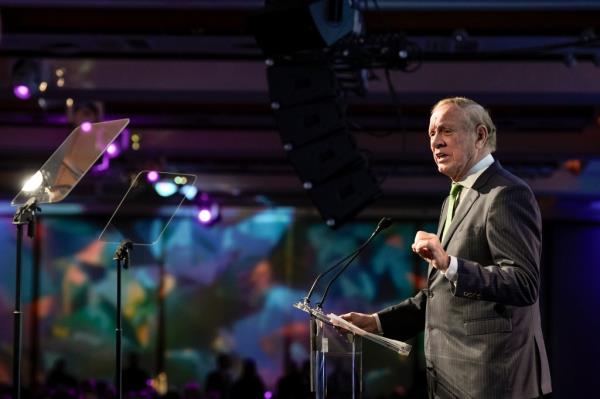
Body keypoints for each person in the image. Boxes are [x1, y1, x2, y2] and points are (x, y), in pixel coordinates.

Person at [341, 97, 552, 399]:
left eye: (446, 131)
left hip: (492, 380)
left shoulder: (506, 194)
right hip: (452, 381)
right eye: (431, 134)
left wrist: (450, 264)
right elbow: (440, 295)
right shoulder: (454, 198)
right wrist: (375, 323)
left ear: (480, 136)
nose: (435, 142)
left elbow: (523, 284)